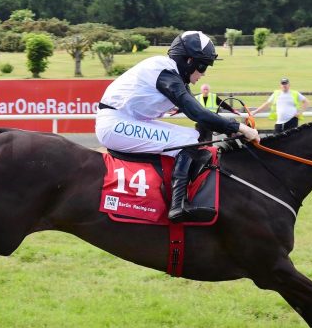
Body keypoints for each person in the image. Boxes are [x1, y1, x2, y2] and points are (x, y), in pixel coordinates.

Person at [95, 30, 260, 222]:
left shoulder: (173, 75)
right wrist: (240, 128)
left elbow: (200, 112)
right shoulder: (165, 73)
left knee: (191, 136)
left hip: (125, 121)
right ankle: (178, 205)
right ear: (189, 61)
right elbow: (198, 114)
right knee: (187, 139)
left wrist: (230, 127)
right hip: (115, 124)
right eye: (203, 65)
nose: (204, 73)